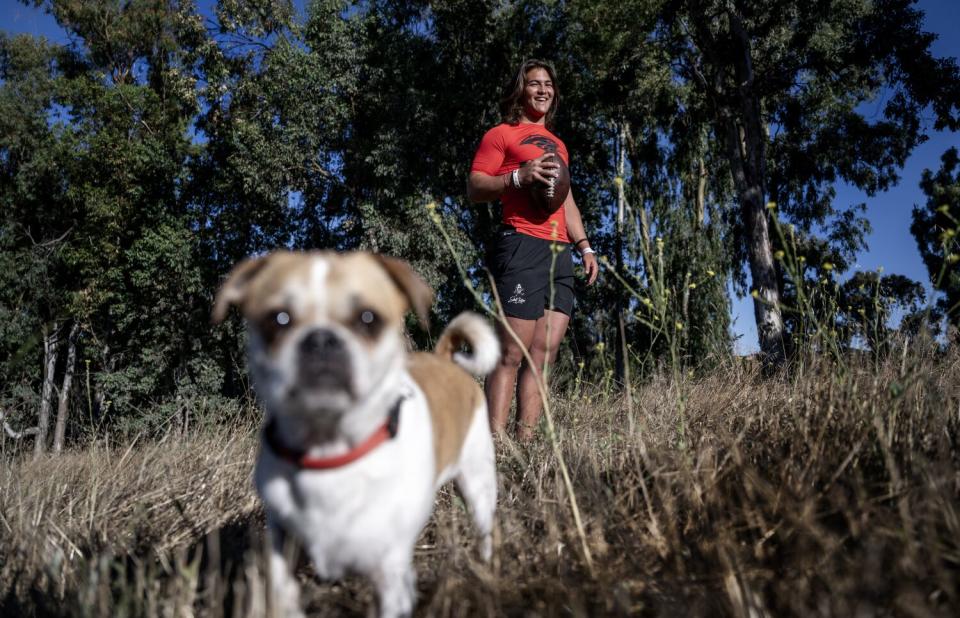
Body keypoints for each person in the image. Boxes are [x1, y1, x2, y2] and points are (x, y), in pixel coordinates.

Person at [467, 59, 599, 441]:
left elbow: (566, 200)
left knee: (544, 356)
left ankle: (524, 449)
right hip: (521, 243)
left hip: (560, 253)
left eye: (548, 84)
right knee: (511, 352)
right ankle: (494, 449)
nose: (543, 90)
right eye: (534, 83)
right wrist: (516, 177)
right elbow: (476, 186)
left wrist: (585, 246)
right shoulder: (502, 135)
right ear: (520, 90)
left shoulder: (559, 145)